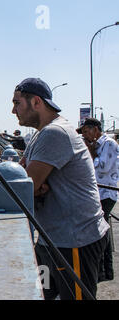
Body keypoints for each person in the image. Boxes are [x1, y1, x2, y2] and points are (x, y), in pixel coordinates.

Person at [12, 77, 109, 300]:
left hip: (74, 241)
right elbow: (23, 178)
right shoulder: (41, 134)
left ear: (36, 102)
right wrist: (34, 184)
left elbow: (26, 187)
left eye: (17, 103)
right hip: (51, 240)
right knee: (40, 294)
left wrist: (34, 185)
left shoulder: (55, 133)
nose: (13, 110)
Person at [77, 117, 118, 282]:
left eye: (86, 131)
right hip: (97, 194)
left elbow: (103, 168)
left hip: (106, 194)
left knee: (101, 232)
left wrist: (92, 152)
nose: (85, 135)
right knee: (102, 230)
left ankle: (103, 270)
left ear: (95, 129)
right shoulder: (94, 144)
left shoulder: (108, 144)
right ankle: (103, 271)